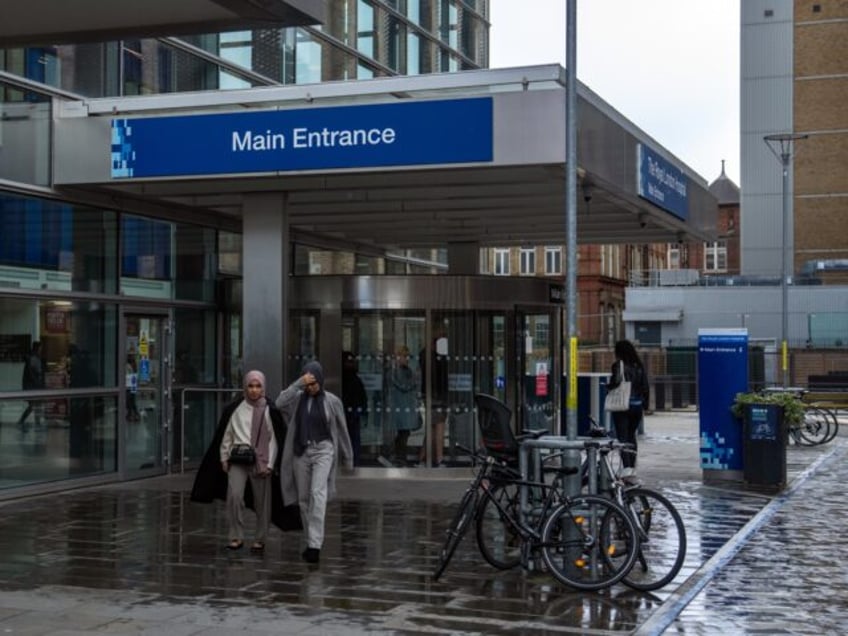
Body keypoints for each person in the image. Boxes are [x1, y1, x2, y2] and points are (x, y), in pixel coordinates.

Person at [190, 370, 299, 551]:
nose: (254, 390)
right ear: (245, 387)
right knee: (234, 497)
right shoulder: (235, 409)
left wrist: (271, 464)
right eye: (250, 386)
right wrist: (224, 457)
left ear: (263, 387)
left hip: (262, 461)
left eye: (258, 386)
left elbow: (274, 440)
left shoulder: (270, 410)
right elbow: (227, 435)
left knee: (262, 502)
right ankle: (236, 536)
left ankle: (260, 538)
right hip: (238, 459)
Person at [275, 360, 353, 564]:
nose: (311, 387)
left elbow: (342, 429)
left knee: (318, 494)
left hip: (324, 450)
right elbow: (279, 403)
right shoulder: (297, 398)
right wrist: (298, 383)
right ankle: (310, 540)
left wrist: (348, 456)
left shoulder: (332, 401)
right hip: (301, 451)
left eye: (314, 383)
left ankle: (315, 545)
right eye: (308, 384)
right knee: (303, 499)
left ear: (321, 380)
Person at [608, 339, 650, 483]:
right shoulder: (639, 366)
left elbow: (616, 382)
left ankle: (626, 468)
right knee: (631, 437)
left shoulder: (618, 365)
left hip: (622, 406)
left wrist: (607, 387)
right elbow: (645, 386)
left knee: (622, 438)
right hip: (637, 406)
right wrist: (645, 404)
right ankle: (632, 467)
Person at [419, 334, 449, 466]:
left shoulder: (424, 355)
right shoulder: (435, 358)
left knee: (431, 428)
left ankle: (423, 458)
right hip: (437, 396)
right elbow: (439, 378)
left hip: (430, 395)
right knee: (439, 427)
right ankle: (439, 458)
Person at [389, 345, 419, 466]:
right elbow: (405, 386)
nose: (407, 359)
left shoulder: (403, 370)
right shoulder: (398, 371)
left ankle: (400, 457)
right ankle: (400, 458)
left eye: (408, 356)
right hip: (402, 407)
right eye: (404, 356)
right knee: (403, 434)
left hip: (403, 406)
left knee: (403, 434)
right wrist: (414, 380)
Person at [341, 351, 367, 467]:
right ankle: (352, 461)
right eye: (349, 362)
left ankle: (352, 461)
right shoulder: (353, 379)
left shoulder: (353, 379)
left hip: (351, 413)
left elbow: (362, 397)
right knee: (352, 439)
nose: (351, 364)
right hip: (350, 413)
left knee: (351, 438)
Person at [18, 341, 45, 430]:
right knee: (34, 405)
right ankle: (25, 420)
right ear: (37, 348)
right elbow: (35, 373)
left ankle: (33, 421)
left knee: (35, 405)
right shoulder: (33, 358)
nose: (41, 349)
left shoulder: (33, 358)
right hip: (33, 386)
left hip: (33, 385)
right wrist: (38, 382)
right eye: (40, 348)